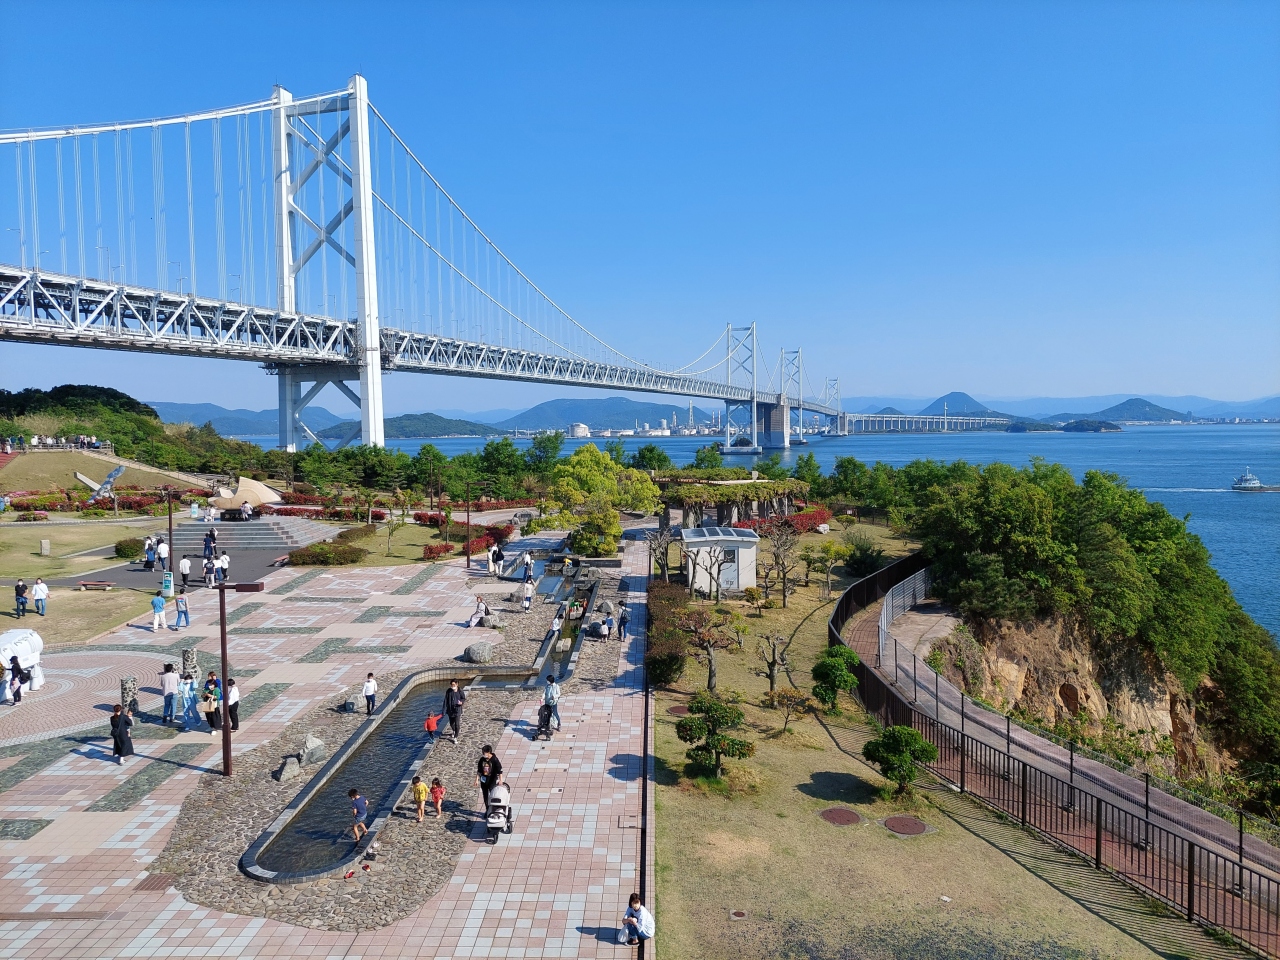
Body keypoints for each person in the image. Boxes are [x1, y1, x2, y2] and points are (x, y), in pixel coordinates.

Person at [474, 745, 503, 811]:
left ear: (489, 752)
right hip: (484, 780)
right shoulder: (482, 760)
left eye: (484, 753)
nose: (483, 754)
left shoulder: (494, 760)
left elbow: (500, 770)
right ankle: (487, 809)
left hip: (492, 780)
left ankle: (493, 809)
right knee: (485, 796)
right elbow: (479, 770)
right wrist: (476, 780)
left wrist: (500, 780)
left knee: (493, 795)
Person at [444, 679, 466, 744]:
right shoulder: (449, 691)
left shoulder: (460, 691)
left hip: (457, 710)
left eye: (453, 684)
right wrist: (444, 710)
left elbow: (463, 698)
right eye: (451, 684)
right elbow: (445, 700)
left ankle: (455, 737)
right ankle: (454, 730)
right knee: (451, 723)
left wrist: (461, 702)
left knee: (457, 724)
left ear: (457, 684)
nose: (452, 686)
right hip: (450, 710)